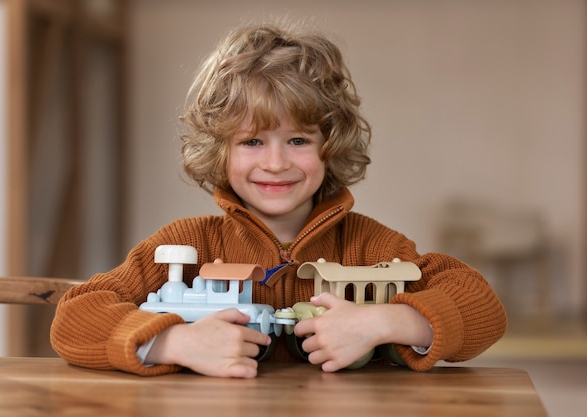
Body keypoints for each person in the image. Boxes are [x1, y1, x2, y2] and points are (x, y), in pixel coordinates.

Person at [50, 22, 507, 379]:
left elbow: (483, 308)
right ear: (220, 148)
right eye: (251, 142)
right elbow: (73, 319)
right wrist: (171, 343)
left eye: (297, 141)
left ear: (330, 145)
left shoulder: (374, 246)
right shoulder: (185, 245)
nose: (274, 163)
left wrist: (386, 323)